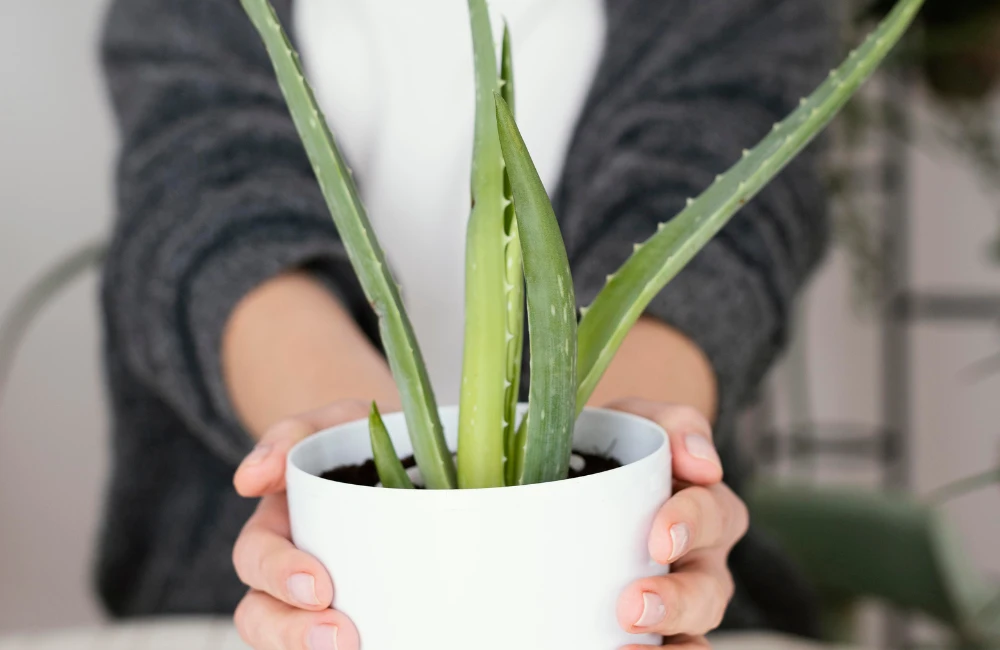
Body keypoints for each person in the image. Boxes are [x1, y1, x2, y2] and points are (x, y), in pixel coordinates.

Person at [97, 0, 832, 647]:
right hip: (261, 609)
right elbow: (201, 200)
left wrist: (624, 491)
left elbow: (725, 228)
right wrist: (342, 474)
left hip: (616, 612)